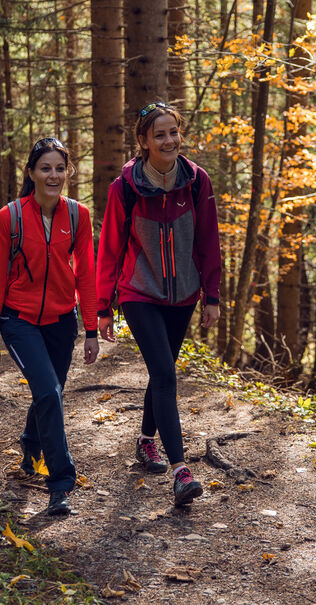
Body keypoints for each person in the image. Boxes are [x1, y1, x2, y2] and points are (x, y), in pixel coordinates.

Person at [96, 101, 222, 507]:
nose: (169, 140)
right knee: (166, 373)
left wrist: (212, 294)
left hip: (184, 294)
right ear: (144, 141)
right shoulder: (126, 188)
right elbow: (110, 248)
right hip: (139, 292)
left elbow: (208, 241)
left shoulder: (196, 182)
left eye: (174, 132)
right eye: (160, 134)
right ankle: (181, 470)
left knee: (161, 371)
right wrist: (102, 306)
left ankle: (146, 440)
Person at [0, 137, 98, 515]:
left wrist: (91, 330)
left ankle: (31, 445)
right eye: (45, 168)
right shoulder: (9, 217)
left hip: (63, 321)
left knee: (51, 392)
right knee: (49, 393)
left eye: (60, 168)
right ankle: (61, 483)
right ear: (31, 173)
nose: (53, 175)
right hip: (18, 321)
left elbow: (87, 276)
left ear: (68, 172)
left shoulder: (79, 215)